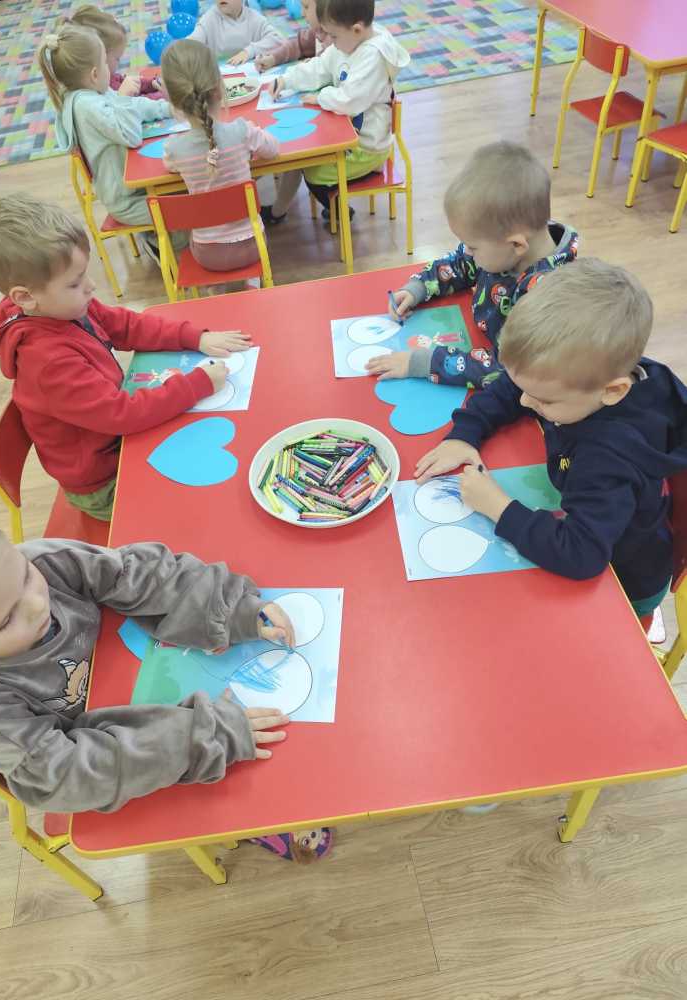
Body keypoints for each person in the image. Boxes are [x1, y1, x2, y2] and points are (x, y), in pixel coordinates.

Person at [0, 492, 293, 813]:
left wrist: (227, 608)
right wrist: (199, 738)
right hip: (134, 759)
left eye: (26, 576)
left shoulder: (44, 560)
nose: (36, 604)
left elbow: (136, 574)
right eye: (5, 621)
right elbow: (66, 774)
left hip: (134, 675)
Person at [415, 259, 687, 628]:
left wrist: (498, 507)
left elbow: (582, 553)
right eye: (526, 388)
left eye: (543, 399)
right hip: (599, 524)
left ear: (613, 391)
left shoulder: (608, 458)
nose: (526, 402)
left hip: (624, 583)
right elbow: (513, 388)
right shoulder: (582, 378)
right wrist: (466, 433)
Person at [0, 193, 250, 521]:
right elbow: (122, 414)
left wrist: (195, 337)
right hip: (104, 483)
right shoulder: (48, 363)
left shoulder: (61, 307)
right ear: (25, 297)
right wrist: (197, 384)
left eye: (85, 274)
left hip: (117, 441)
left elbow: (126, 325)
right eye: (75, 283)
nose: (90, 287)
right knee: (209, 502)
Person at [366, 142, 579, 389]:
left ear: (517, 245)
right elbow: (459, 264)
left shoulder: (549, 300)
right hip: (476, 335)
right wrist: (419, 288)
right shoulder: (505, 246)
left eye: (473, 246)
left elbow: (509, 370)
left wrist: (425, 362)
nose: (466, 251)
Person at [38, 22, 178, 258]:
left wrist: (168, 108)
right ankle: (157, 243)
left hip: (135, 189)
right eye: (105, 62)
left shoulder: (94, 93)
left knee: (187, 192)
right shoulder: (86, 106)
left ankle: (159, 237)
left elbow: (135, 106)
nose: (110, 69)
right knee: (189, 210)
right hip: (127, 200)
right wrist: (123, 98)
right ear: (94, 74)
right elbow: (131, 136)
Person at [271, 0, 409, 219]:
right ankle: (335, 207)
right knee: (308, 158)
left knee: (313, 173)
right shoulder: (349, 41)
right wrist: (286, 80)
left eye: (333, 36)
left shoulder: (372, 56)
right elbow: (320, 67)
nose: (331, 43)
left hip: (367, 149)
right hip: (349, 138)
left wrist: (320, 97)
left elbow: (349, 100)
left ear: (357, 29)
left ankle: (340, 213)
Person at [161, 39, 280, 274]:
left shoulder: (175, 149)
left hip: (207, 255)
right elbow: (273, 149)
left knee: (196, 237)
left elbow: (170, 165)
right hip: (254, 246)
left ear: (173, 99)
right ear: (219, 87)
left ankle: (216, 289)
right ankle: (252, 282)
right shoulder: (241, 131)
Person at [255, 0, 332, 226]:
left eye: (307, 7)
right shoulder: (317, 33)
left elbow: (326, 71)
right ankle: (279, 210)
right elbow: (296, 45)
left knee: (298, 156)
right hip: (319, 111)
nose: (302, 12)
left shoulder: (338, 40)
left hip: (333, 122)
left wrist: (312, 66)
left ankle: (336, 208)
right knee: (293, 150)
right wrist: (273, 58)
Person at [70, 4, 162, 99]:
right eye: (117, 58)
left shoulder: (108, 76)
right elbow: (136, 104)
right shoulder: (98, 93)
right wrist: (162, 95)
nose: (120, 62)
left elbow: (129, 82)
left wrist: (152, 83)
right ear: (102, 57)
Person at [191, 0, 283, 66]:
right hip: (219, 75)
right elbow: (190, 43)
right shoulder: (209, 19)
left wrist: (249, 51)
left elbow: (277, 39)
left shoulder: (254, 17)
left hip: (251, 73)